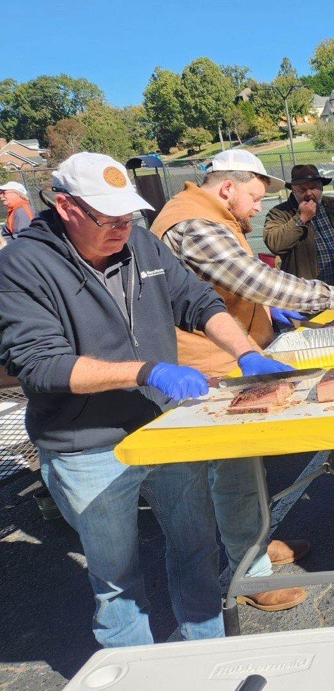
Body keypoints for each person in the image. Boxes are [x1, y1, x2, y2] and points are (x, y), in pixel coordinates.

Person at [0, 152, 286, 647]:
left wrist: (246, 353)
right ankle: (135, 668)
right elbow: (40, 365)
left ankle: (207, 649)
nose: (122, 228)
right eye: (108, 218)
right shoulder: (22, 265)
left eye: (128, 216)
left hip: (162, 428)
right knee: (117, 581)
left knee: (197, 549)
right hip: (86, 445)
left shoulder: (139, 242)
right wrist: (145, 370)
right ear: (65, 206)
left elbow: (197, 300)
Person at [150, 148, 334, 612]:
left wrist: (265, 310)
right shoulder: (193, 222)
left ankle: (255, 542)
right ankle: (249, 572)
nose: (259, 208)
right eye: (255, 198)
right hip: (207, 368)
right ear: (227, 188)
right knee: (233, 475)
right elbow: (253, 278)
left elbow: (231, 287)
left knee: (247, 468)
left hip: (229, 358)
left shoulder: (213, 214)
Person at [263, 164, 334, 289]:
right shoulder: (280, 213)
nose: (309, 193)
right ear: (293, 190)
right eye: (302, 189)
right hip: (308, 294)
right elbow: (275, 244)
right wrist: (301, 218)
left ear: (321, 187)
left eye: (313, 187)